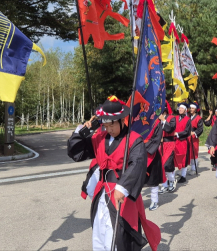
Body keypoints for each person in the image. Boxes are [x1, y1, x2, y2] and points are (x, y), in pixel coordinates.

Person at [66, 95, 161, 251]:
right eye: (106, 125)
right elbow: (77, 153)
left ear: (121, 120)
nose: (109, 129)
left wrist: (122, 187)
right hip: (102, 192)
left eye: (112, 125)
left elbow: (137, 164)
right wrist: (82, 131)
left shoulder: (134, 140)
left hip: (120, 193)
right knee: (99, 231)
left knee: (116, 234)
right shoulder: (99, 137)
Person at [143, 106, 169, 211]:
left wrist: (144, 147)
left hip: (151, 153)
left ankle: (154, 201)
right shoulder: (138, 124)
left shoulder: (157, 123)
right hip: (139, 153)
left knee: (153, 180)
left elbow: (157, 139)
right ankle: (135, 202)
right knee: (137, 179)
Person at [166, 102, 193, 184]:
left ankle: (183, 176)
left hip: (183, 141)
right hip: (174, 141)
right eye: (179, 108)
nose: (180, 110)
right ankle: (172, 177)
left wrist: (178, 134)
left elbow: (187, 131)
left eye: (182, 109)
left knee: (183, 158)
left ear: (185, 110)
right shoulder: (175, 118)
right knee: (173, 158)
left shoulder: (188, 119)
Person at [205, 106, 217, 171]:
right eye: (216, 112)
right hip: (213, 135)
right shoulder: (213, 117)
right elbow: (206, 123)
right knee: (212, 150)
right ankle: (214, 162)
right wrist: (210, 114)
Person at [188, 102, 204, 176]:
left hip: (194, 137)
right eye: (190, 108)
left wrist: (194, 133)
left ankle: (193, 168)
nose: (191, 109)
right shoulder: (187, 116)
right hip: (187, 137)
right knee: (188, 152)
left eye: (192, 108)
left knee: (194, 152)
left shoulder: (198, 118)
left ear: (196, 109)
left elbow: (200, 129)